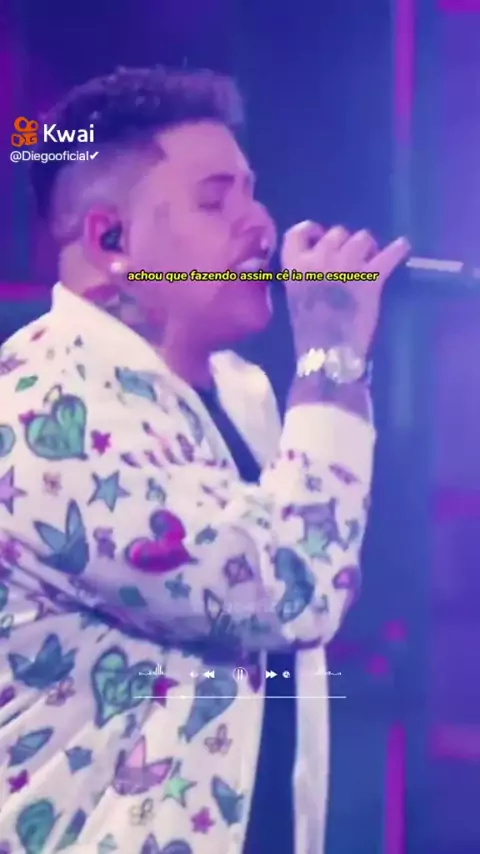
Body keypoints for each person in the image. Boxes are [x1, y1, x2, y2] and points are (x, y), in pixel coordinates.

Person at [0, 66, 409, 854]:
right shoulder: (46, 409)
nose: (262, 225)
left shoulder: (242, 393)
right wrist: (331, 357)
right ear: (111, 241)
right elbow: (292, 590)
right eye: (215, 201)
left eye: (252, 194)